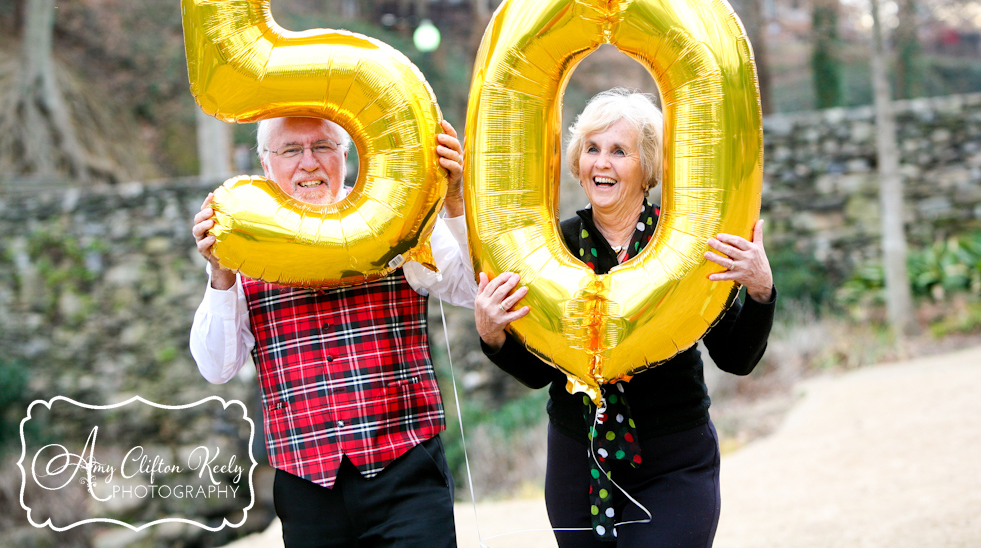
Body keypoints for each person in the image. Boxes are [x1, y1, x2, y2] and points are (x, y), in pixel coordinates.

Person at [474, 88, 776, 548]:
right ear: (576, 163)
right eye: (592, 149)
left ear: (647, 168)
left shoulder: (684, 246)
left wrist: (760, 290)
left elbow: (736, 357)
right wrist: (493, 336)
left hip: (675, 461)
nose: (602, 163)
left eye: (619, 151)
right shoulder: (553, 250)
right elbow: (538, 372)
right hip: (579, 466)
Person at [190, 116, 476, 548]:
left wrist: (454, 201)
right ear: (266, 166)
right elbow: (216, 368)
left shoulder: (396, 220)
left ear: (347, 154)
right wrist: (221, 274)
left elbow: (475, 290)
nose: (308, 163)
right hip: (307, 490)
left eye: (322, 145)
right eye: (290, 150)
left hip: (406, 474)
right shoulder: (242, 246)